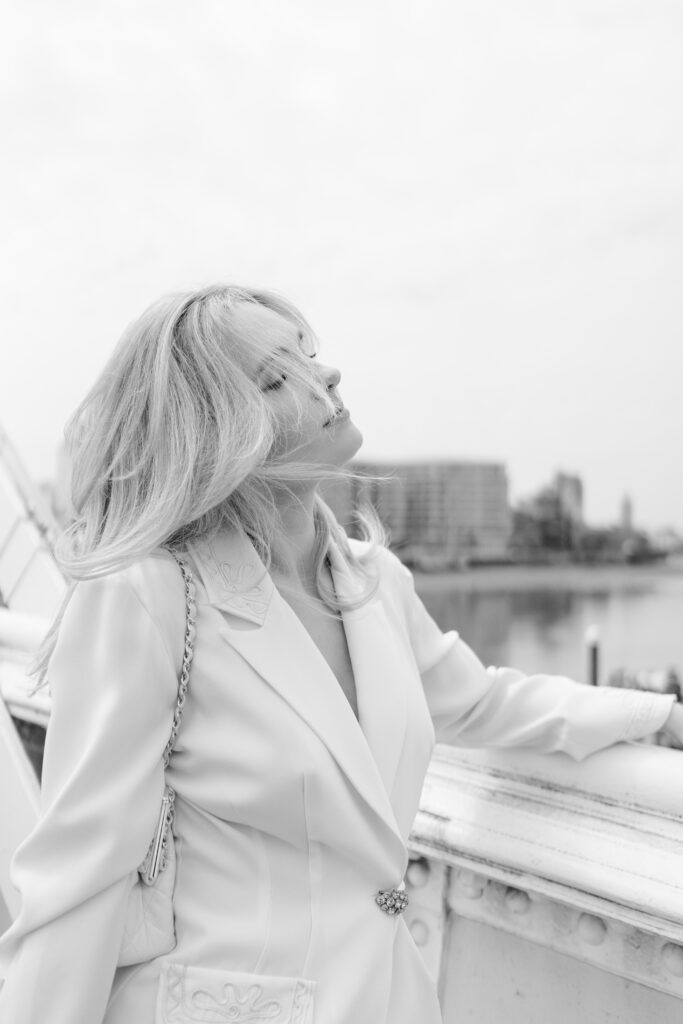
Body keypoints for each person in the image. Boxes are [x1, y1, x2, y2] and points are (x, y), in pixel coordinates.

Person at [0, 284, 681, 1024]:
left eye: (309, 354)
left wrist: (652, 718)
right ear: (217, 431)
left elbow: (480, 701)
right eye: (274, 375)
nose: (325, 377)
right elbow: (79, 877)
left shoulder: (371, 583)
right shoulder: (148, 595)